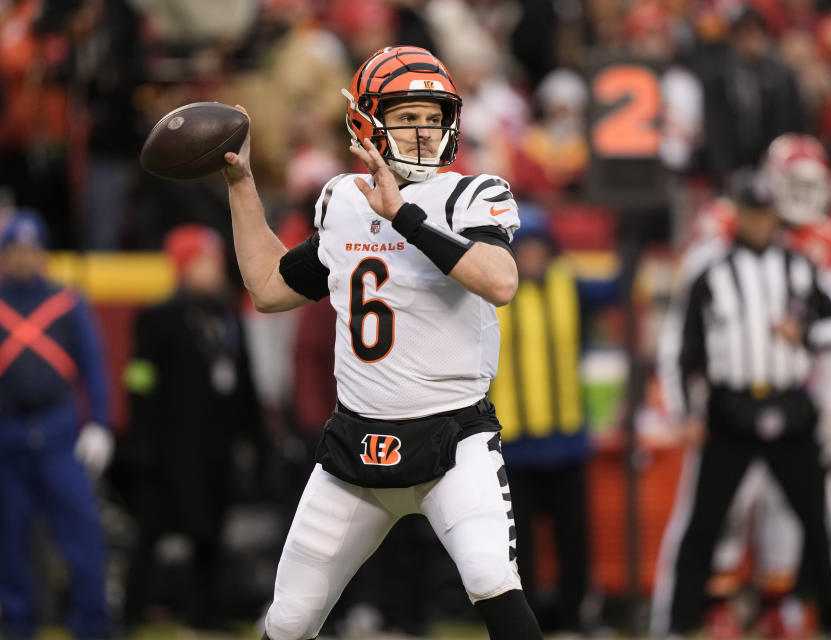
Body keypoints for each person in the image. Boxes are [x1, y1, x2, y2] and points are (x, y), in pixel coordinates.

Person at [220, 46, 542, 640]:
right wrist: (241, 184)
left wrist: (405, 218)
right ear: (367, 121)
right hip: (355, 448)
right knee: (288, 620)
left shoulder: (468, 195)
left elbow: (500, 280)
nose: (422, 131)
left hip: (452, 441)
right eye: (405, 116)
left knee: (493, 582)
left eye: (430, 116)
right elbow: (269, 288)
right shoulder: (343, 200)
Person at [651, 169, 831, 638]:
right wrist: (684, 412)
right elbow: (681, 346)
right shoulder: (712, 270)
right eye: (751, 214)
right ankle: (678, 622)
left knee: (816, 521)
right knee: (704, 523)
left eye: (766, 215)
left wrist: (805, 332)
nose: (760, 224)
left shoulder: (802, 267)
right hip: (730, 411)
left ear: (775, 218)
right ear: (737, 215)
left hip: (790, 409)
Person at [123, 224, 261, 631]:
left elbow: (244, 380)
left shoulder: (227, 315)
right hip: (170, 444)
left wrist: (252, 437)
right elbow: (140, 378)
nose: (215, 269)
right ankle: (129, 612)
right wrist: (142, 438)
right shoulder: (159, 316)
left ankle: (205, 613)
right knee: (150, 531)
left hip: (215, 444)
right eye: (206, 261)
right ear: (184, 266)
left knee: (212, 533)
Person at [0, 210, 113, 639]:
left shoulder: (66, 302)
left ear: (42, 252)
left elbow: (94, 365)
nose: (24, 257)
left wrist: (100, 422)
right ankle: (17, 626)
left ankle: (92, 627)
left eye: (31, 249)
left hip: (59, 435)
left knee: (83, 539)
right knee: (10, 545)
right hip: (7, 439)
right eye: (15, 249)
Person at [489, 205, 590, 634]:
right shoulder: (488, 294)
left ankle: (574, 616)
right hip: (512, 439)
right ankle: (526, 623)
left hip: (564, 435)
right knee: (519, 544)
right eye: (522, 250)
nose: (531, 258)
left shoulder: (570, 285)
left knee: (574, 537)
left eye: (537, 249)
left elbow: (625, 282)